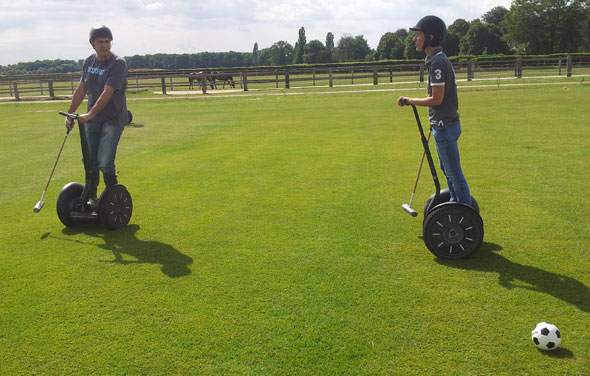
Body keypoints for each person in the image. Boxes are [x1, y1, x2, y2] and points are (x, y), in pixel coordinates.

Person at [398, 15, 472, 206]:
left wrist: (409, 100)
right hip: (442, 125)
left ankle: (463, 213)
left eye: (418, 35)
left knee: (454, 174)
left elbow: (436, 99)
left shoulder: (438, 63)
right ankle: (456, 204)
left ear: (430, 37)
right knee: (448, 171)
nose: (415, 39)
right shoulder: (436, 60)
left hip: (445, 127)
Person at [65, 25, 129, 203]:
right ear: (92, 43)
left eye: (108, 42)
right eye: (100, 42)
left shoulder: (118, 63)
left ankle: (112, 197)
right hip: (92, 118)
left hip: (113, 119)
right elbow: (82, 88)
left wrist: (89, 114)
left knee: (105, 162)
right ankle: (90, 194)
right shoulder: (89, 61)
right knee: (89, 159)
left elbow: (107, 92)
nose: (105, 45)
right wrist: (70, 114)